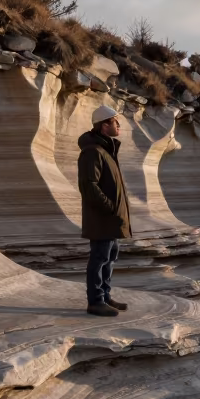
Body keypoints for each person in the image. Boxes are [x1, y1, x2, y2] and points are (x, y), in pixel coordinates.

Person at [77, 105, 132, 316]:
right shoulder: (92, 152)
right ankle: (95, 301)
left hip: (111, 219)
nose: (119, 125)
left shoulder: (106, 151)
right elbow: (89, 186)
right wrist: (109, 208)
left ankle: (105, 296)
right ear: (104, 125)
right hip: (102, 218)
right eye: (116, 122)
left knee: (109, 258)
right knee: (99, 258)